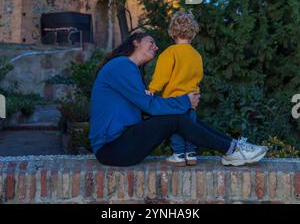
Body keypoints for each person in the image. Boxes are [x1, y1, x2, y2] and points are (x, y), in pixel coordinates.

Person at [90, 32, 267, 167]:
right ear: (136, 42)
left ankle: (233, 147)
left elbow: (147, 108)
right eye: (151, 42)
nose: (156, 47)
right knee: (177, 116)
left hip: (123, 145)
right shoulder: (121, 65)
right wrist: (185, 101)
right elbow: (150, 107)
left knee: (183, 115)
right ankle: (232, 150)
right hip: (112, 148)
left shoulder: (129, 70)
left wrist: (184, 105)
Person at [147, 10, 203, 166]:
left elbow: (162, 76)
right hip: (191, 100)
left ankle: (178, 154)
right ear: (193, 33)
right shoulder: (197, 55)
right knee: (190, 127)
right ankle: (191, 154)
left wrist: (152, 89)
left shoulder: (169, 53)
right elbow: (198, 77)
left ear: (172, 32)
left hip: (174, 100)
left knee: (176, 128)